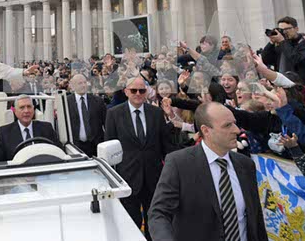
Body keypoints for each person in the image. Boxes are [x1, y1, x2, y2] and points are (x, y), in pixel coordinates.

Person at [148, 102, 268, 241]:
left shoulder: (245, 165)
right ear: (206, 130)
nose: (237, 130)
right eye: (227, 125)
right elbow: (159, 214)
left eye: (235, 123)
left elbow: (256, 218)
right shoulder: (179, 163)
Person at [105, 76, 176, 240]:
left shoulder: (156, 113)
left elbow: (166, 145)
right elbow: (109, 147)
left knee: (155, 223)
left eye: (142, 90)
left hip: (154, 178)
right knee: (131, 225)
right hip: (127, 178)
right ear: (126, 92)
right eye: (134, 90)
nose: (138, 94)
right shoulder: (114, 114)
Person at [0, 95, 59, 162]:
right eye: (22, 107)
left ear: (33, 109)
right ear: (15, 111)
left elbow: (59, 151)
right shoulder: (4, 133)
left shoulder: (46, 128)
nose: (26, 111)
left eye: (29, 107)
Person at [262, 16, 305, 82]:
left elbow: (295, 59)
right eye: (281, 30)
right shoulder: (281, 45)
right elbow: (265, 60)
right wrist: (271, 42)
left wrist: (282, 41)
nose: (284, 32)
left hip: (299, 83)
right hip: (280, 82)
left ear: (296, 29)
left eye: (287, 29)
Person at [67, 74, 106, 157]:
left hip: (96, 145)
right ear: (73, 86)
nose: (84, 85)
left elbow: (106, 123)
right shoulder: (66, 102)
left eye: (85, 82)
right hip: (75, 146)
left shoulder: (98, 101)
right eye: (80, 83)